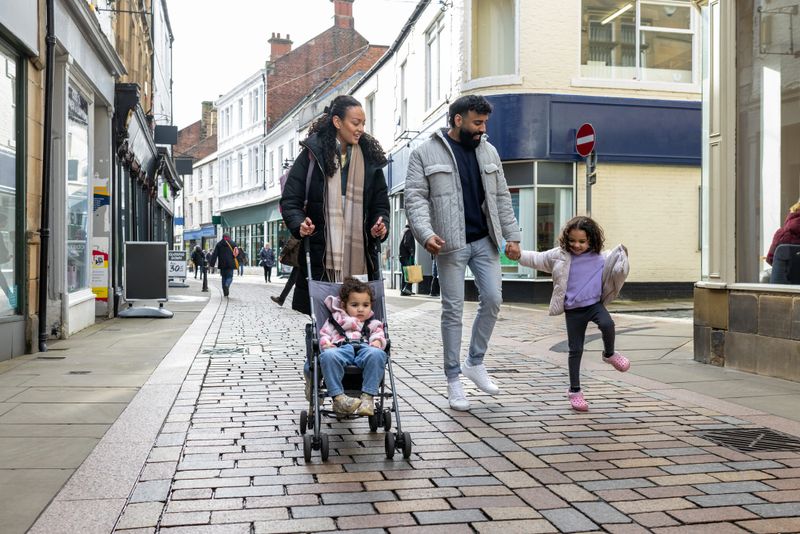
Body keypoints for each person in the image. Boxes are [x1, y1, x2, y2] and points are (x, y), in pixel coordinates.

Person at [405, 94, 521, 411]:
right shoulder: (424, 153)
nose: (482, 129)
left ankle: (475, 362)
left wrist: (512, 236)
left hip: (485, 240)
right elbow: (415, 200)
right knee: (453, 310)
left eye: (484, 123)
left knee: (494, 299)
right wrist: (425, 234)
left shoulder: (489, 151)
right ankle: (454, 379)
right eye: (477, 122)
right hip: (450, 243)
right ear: (458, 120)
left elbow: (500, 197)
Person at [280, 94, 390, 315]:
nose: (360, 128)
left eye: (363, 124)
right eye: (355, 123)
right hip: (322, 251)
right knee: (324, 317)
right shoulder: (312, 156)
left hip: (361, 256)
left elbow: (380, 204)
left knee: (361, 315)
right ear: (337, 122)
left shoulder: (370, 160)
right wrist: (299, 223)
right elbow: (290, 200)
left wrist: (381, 224)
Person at [518, 216, 630, 412]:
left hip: (594, 305)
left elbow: (617, 265)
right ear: (566, 239)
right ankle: (575, 391)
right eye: (572, 240)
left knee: (607, 324)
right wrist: (517, 254)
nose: (576, 245)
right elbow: (537, 258)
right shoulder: (560, 256)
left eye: (582, 241)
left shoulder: (601, 258)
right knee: (575, 350)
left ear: (592, 240)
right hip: (573, 311)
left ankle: (609, 354)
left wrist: (623, 263)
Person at [313, 277, 387, 416]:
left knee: (378, 354)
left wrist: (377, 341)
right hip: (341, 349)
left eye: (365, 305)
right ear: (344, 305)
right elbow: (324, 334)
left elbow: (379, 334)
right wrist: (326, 343)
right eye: (354, 305)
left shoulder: (373, 323)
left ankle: (367, 397)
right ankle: (339, 398)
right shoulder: (335, 321)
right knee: (327, 356)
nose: (360, 309)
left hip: (364, 349)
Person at [398, 223, 415, 296]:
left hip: (402, 255)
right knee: (409, 273)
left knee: (405, 274)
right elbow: (406, 242)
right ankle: (406, 289)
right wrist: (411, 251)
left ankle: (403, 290)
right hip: (406, 256)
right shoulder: (409, 231)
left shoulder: (403, 231)